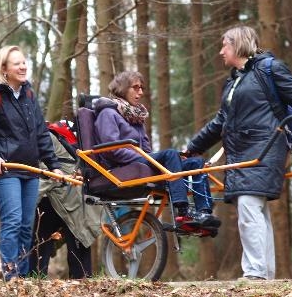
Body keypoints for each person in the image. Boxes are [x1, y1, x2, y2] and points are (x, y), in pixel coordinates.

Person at [185, 24, 292, 280]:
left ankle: (256, 274)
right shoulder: (234, 82)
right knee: (254, 207)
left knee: (249, 204)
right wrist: (193, 147)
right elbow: (220, 122)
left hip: (266, 146)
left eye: (224, 45)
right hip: (240, 152)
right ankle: (264, 274)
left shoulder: (269, 68)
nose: (220, 51)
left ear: (237, 45)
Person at [0, 45, 64, 281]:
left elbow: (41, 134)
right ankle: (11, 276)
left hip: (30, 169)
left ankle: (22, 279)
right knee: (13, 220)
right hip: (5, 170)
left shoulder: (29, 95)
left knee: (27, 224)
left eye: (24, 62)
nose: (23, 66)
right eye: (17, 63)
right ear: (4, 69)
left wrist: (53, 165)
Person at [93, 70, 221, 232]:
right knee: (169, 154)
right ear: (123, 89)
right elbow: (111, 150)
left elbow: (147, 149)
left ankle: (204, 214)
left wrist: (171, 161)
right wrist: (146, 156)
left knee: (195, 162)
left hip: (139, 160)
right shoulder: (108, 113)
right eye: (135, 87)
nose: (140, 92)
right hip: (120, 165)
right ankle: (182, 212)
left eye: (142, 87)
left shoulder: (135, 116)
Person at [29, 124, 101, 279]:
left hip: (67, 196)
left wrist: (25, 204)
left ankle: (82, 283)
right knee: (41, 243)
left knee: (76, 243)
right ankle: (36, 282)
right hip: (54, 198)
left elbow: (46, 175)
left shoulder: (41, 137)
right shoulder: (37, 135)